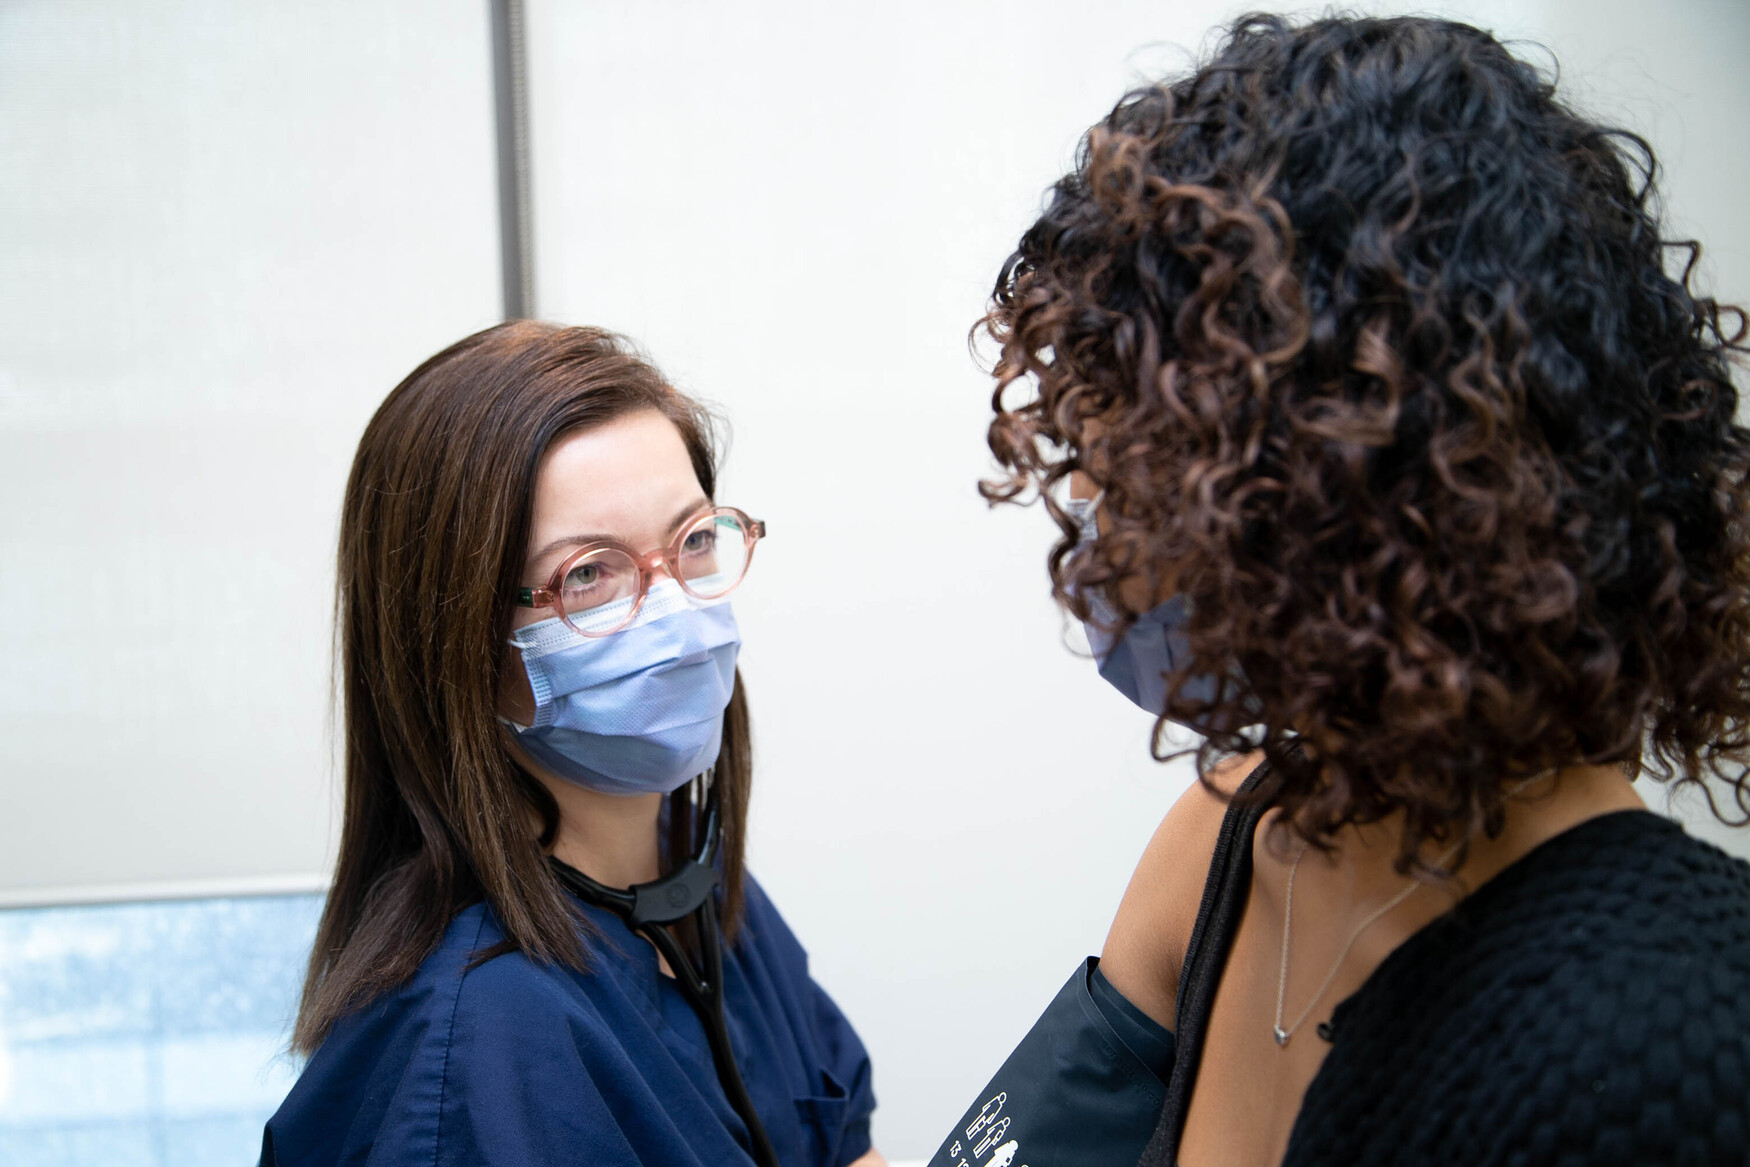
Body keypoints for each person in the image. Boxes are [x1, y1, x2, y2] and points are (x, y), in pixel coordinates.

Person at [934, 13, 1750, 1167]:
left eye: (1145, 467)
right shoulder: (1231, 830)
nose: (1100, 547)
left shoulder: (1665, 1038)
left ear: (1336, 481)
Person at [261, 322, 882, 1167]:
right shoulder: (484, 1040)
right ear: (453, 641)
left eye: (694, 539)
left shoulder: (695, 891)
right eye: (587, 573)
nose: (675, 613)